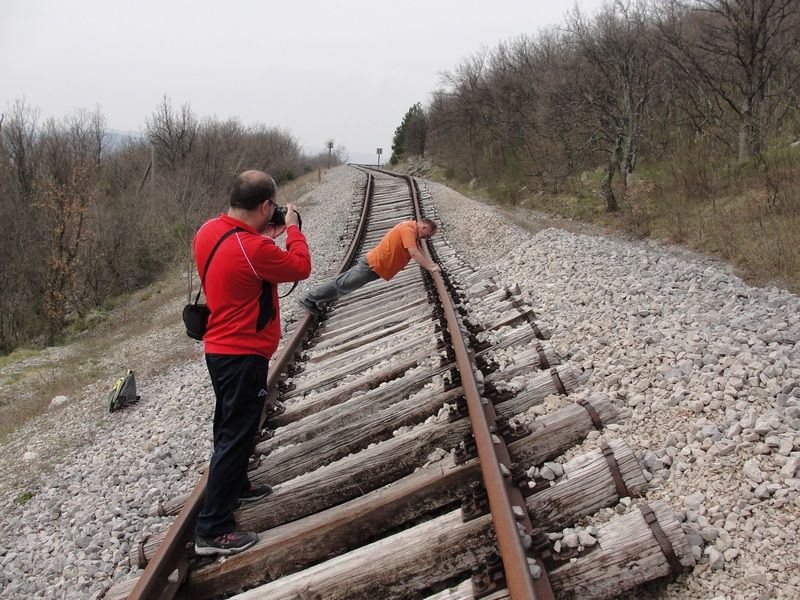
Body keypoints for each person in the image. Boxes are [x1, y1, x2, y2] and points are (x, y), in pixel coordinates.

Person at [192, 170, 311, 556]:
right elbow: (299, 267)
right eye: (273, 207)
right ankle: (213, 528)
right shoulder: (254, 249)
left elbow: (241, 256)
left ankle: (237, 483)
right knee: (238, 431)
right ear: (265, 206)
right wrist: (292, 229)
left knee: (228, 424)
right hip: (243, 353)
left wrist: (264, 236)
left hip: (218, 348)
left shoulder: (209, 230)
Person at [298, 218, 439, 316]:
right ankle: (309, 298)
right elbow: (413, 252)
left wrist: (431, 264)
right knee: (343, 284)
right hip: (373, 265)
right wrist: (431, 268)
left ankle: (318, 298)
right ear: (424, 227)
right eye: (428, 235)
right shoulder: (408, 228)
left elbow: (418, 250)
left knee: (344, 283)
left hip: (376, 266)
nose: (427, 238)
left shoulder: (413, 232)